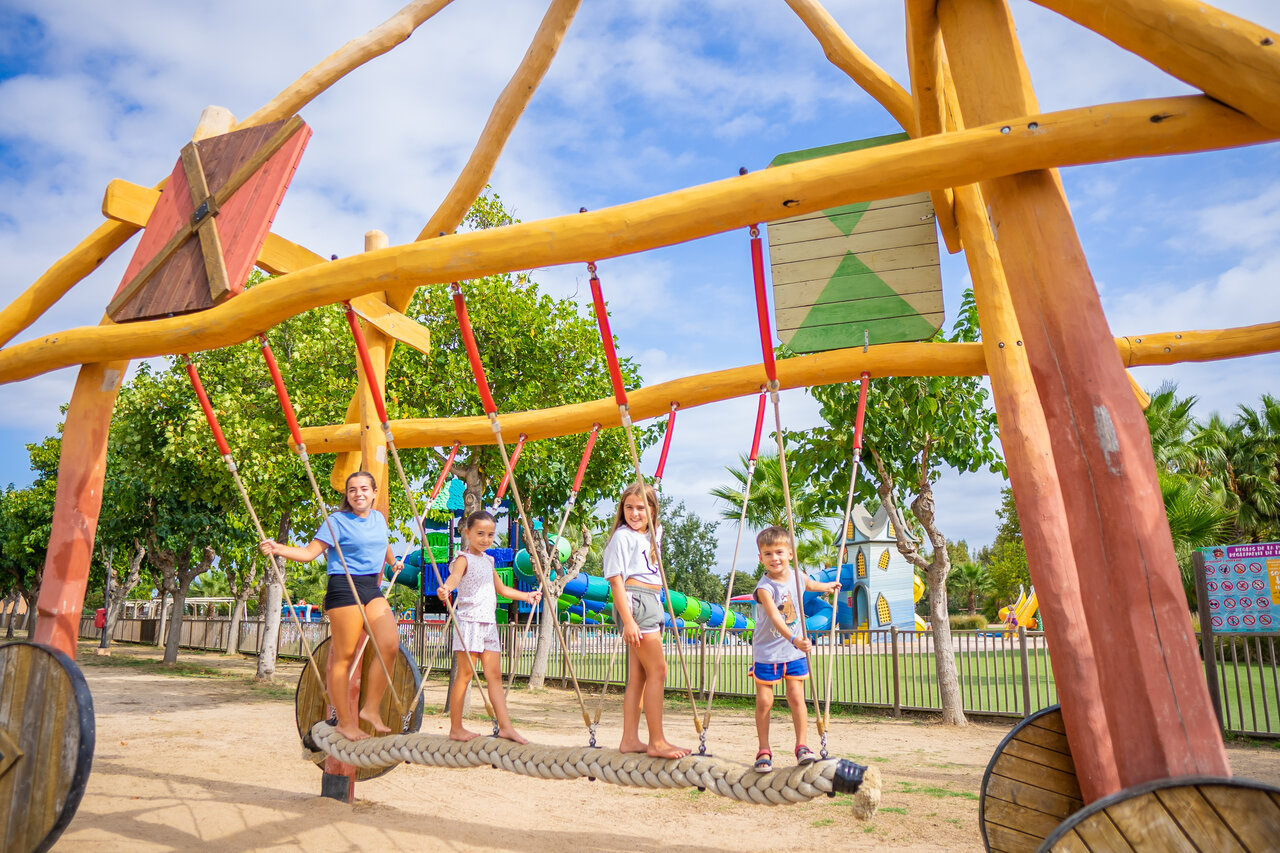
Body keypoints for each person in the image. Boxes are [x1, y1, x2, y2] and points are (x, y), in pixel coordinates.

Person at [260, 471, 402, 742]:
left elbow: (382, 542)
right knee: (345, 658)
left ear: (374, 492)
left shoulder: (379, 519)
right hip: (343, 587)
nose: (358, 493)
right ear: (347, 496)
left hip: (371, 587)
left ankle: (371, 709)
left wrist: (393, 562)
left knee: (389, 644)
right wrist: (278, 548)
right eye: (352, 490)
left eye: (363, 489)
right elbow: (309, 553)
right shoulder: (336, 521)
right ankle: (345, 723)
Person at [437, 510, 541, 743]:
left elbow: (502, 590)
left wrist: (527, 596)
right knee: (464, 676)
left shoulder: (489, 560)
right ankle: (456, 728)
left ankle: (506, 727)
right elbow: (453, 579)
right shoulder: (463, 558)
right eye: (480, 533)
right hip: (470, 621)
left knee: (494, 676)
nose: (485, 539)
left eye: (490, 534)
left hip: (489, 623)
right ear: (467, 533)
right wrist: (446, 589)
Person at [603, 481, 689, 759]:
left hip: (651, 599)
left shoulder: (654, 534)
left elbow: (656, 527)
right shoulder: (622, 537)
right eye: (629, 507)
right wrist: (628, 621)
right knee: (659, 671)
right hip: (635, 600)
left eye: (641, 507)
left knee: (638, 676)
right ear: (621, 510)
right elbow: (616, 581)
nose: (635, 513)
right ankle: (657, 741)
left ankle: (630, 738)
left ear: (653, 510)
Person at [751, 526, 839, 772]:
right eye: (767, 554)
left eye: (779, 552)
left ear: (790, 554)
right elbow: (776, 619)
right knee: (765, 701)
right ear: (761, 558)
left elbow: (809, 584)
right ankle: (764, 750)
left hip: (793, 652)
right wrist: (794, 638)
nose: (774, 558)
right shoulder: (764, 588)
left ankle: (802, 746)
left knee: (797, 697)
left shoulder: (797, 576)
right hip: (769, 652)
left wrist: (828, 587)